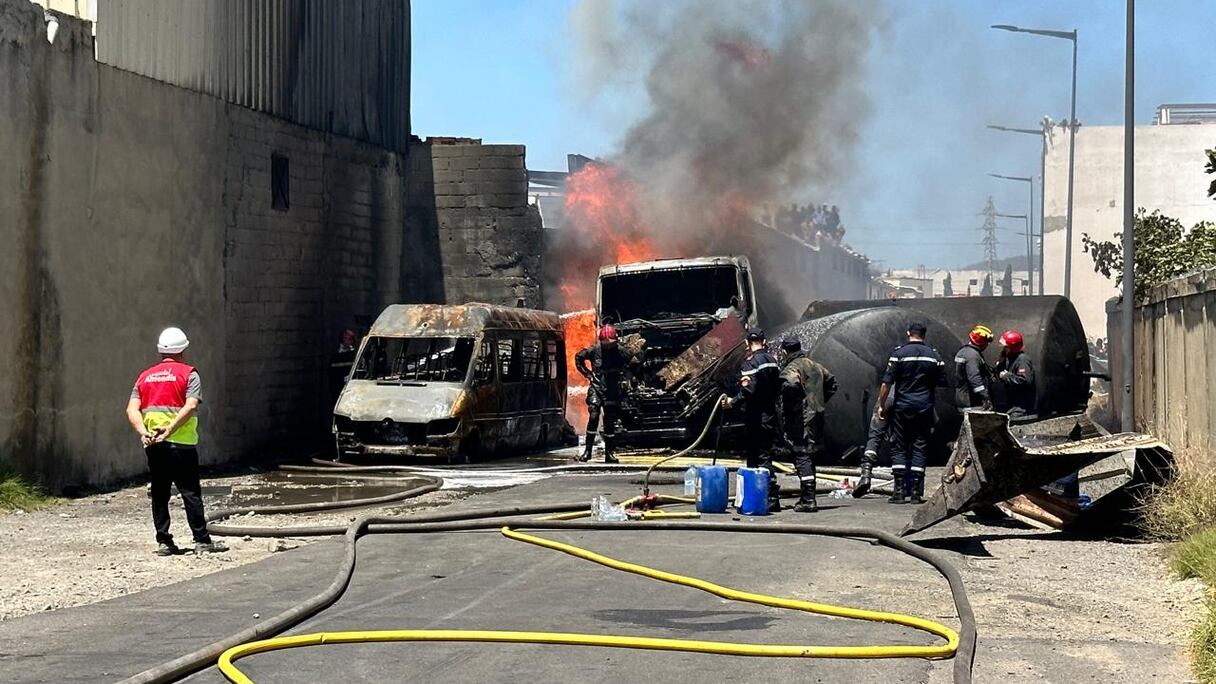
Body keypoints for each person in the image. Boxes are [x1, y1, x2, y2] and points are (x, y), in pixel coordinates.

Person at [125, 327, 227, 556]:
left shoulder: (145, 376)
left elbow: (131, 409)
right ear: (183, 349)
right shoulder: (189, 374)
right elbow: (191, 405)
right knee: (190, 492)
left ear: (160, 350)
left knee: (160, 492)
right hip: (182, 444)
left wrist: (143, 432)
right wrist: (170, 428)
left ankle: (164, 541)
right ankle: (202, 541)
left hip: (154, 445)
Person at [876, 321, 945, 505]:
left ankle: (899, 492)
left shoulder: (899, 354)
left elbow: (886, 383)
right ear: (924, 335)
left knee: (899, 445)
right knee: (919, 445)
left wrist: (882, 404)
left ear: (908, 333)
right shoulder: (934, 355)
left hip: (902, 406)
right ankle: (915, 492)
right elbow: (942, 381)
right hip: (924, 407)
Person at [720, 327, 783, 512]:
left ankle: (763, 496)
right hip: (770, 414)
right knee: (766, 454)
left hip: (755, 416)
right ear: (764, 342)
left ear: (747, 343)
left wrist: (732, 401)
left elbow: (748, 390)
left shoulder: (750, 363)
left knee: (757, 457)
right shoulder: (773, 361)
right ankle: (770, 496)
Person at [778, 337, 837, 512]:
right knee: (809, 454)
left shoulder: (792, 368)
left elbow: (790, 384)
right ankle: (808, 497)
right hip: (816, 416)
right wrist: (818, 402)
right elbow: (832, 384)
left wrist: (794, 404)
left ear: (784, 352)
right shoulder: (815, 365)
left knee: (801, 453)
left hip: (800, 418)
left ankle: (808, 500)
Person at [574, 324, 628, 463]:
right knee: (593, 415)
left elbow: (633, 363)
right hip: (597, 386)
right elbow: (578, 357)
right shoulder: (594, 350)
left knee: (609, 421)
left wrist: (626, 377)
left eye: (610, 344)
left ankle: (609, 453)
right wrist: (588, 374)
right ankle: (587, 452)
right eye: (605, 344)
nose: (608, 346)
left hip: (612, 389)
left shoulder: (621, 352)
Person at [995, 329, 1037, 418]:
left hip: (1020, 407)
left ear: (1012, 347)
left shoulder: (1022, 360)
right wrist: (1001, 363)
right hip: (1012, 404)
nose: (1003, 349)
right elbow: (999, 375)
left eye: (1005, 347)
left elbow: (1025, 380)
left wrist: (1006, 376)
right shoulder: (1010, 359)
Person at [954, 325, 995, 410]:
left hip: (964, 398)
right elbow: (974, 377)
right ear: (981, 342)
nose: (987, 345)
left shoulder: (965, 351)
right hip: (972, 402)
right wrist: (985, 395)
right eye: (987, 342)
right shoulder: (972, 355)